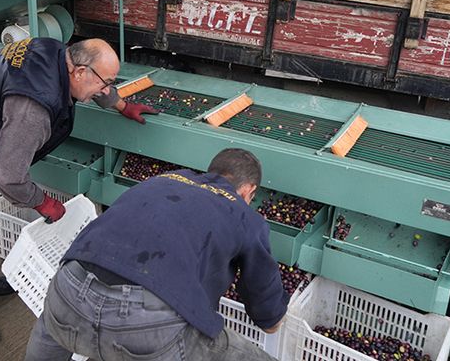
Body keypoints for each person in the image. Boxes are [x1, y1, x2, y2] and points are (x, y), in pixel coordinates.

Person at [0, 37, 156, 348]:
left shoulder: (55, 52)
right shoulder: (33, 107)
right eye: (107, 83)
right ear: (78, 72)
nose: (106, 89)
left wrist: (121, 104)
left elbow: (96, 84)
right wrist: (44, 203)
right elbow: (8, 178)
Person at [25, 148, 288, 361]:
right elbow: (268, 318)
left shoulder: (163, 179)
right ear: (248, 190)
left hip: (68, 288)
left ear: (212, 172)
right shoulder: (245, 216)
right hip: (145, 324)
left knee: (54, 327)